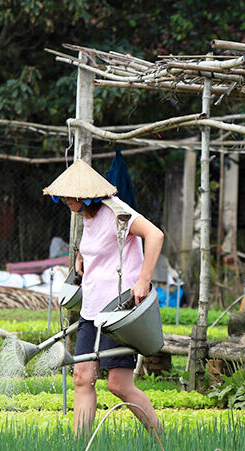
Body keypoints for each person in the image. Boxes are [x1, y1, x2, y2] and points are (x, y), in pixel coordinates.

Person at [43, 159, 164, 435]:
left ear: (86, 195)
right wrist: (80, 256)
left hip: (118, 311)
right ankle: (79, 447)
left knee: (118, 385)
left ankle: (162, 438)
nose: (65, 202)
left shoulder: (118, 212)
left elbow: (155, 235)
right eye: (63, 198)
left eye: (69, 198)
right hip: (91, 309)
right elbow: (98, 245)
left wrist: (143, 280)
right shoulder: (86, 217)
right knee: (82, 377)